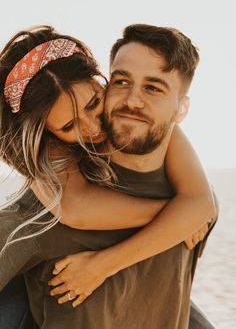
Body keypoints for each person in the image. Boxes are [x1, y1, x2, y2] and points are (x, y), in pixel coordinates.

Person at [0, 25, 216, 329]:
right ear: (49, 133)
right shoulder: (50, 162)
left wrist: (188, 213)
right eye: (69, 126)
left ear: (98, 79)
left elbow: (200, 206)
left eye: (92, 104)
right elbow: (77, 208)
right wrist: (177, 214)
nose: (91, 127)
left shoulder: (161, 136)